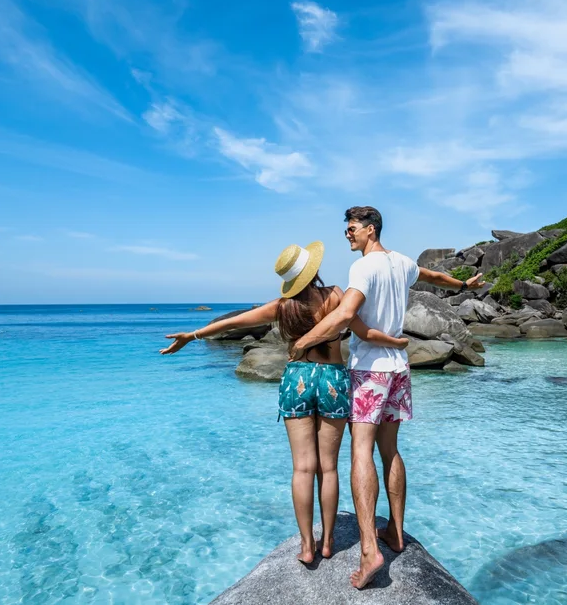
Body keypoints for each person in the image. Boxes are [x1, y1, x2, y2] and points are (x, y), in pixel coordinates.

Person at [160, 242, 408, 565]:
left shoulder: (282, 307)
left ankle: (307, 545)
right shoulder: (334, 296)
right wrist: (396, 342)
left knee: (303, 467)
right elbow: (362, 329)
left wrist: (192, 336)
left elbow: (236, 322)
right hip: (332, 379)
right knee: (328, 466)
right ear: (313, 270)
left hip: (297, 380)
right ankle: (329, 541)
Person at [289, 206, 487, 589]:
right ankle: (395, 531)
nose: (347, 234)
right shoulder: (403, 263)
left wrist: (304, 342)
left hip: (370, 370)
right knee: (390, 451)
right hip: (398, 368)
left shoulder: (364, 267)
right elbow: (432, 276)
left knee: (360, 452)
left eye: (351, 229)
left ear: (370, 230)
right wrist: (464, 286)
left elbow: (347, 315)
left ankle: (368, 551)